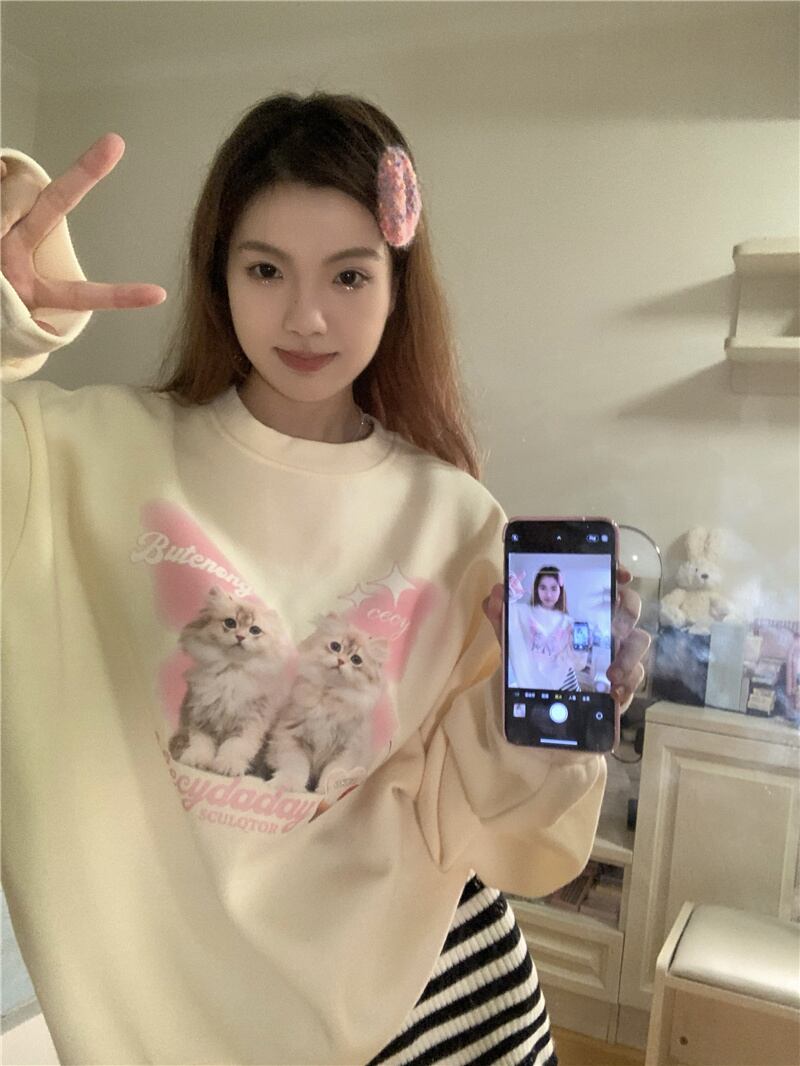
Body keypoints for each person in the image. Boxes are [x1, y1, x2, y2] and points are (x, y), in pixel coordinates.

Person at [1, 92, 649, 1066]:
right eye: (266, 269)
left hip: (443, 1019)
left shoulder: (457, 519)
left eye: (349, 274)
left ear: (397, 285)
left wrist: (558, 727)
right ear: (219, 275)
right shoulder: (68, 458)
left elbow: (497, 827)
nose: (306, 316)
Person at [508, 566, 581, 693]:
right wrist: (510, 594)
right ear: (537, 589)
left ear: (560, 590)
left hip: (566, 681)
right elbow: (510, 619)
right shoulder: (526, 615)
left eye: (553, 588)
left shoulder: (568, 622)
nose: (548, 594)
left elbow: (574, 659)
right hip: (536, 682)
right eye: (543, 588)